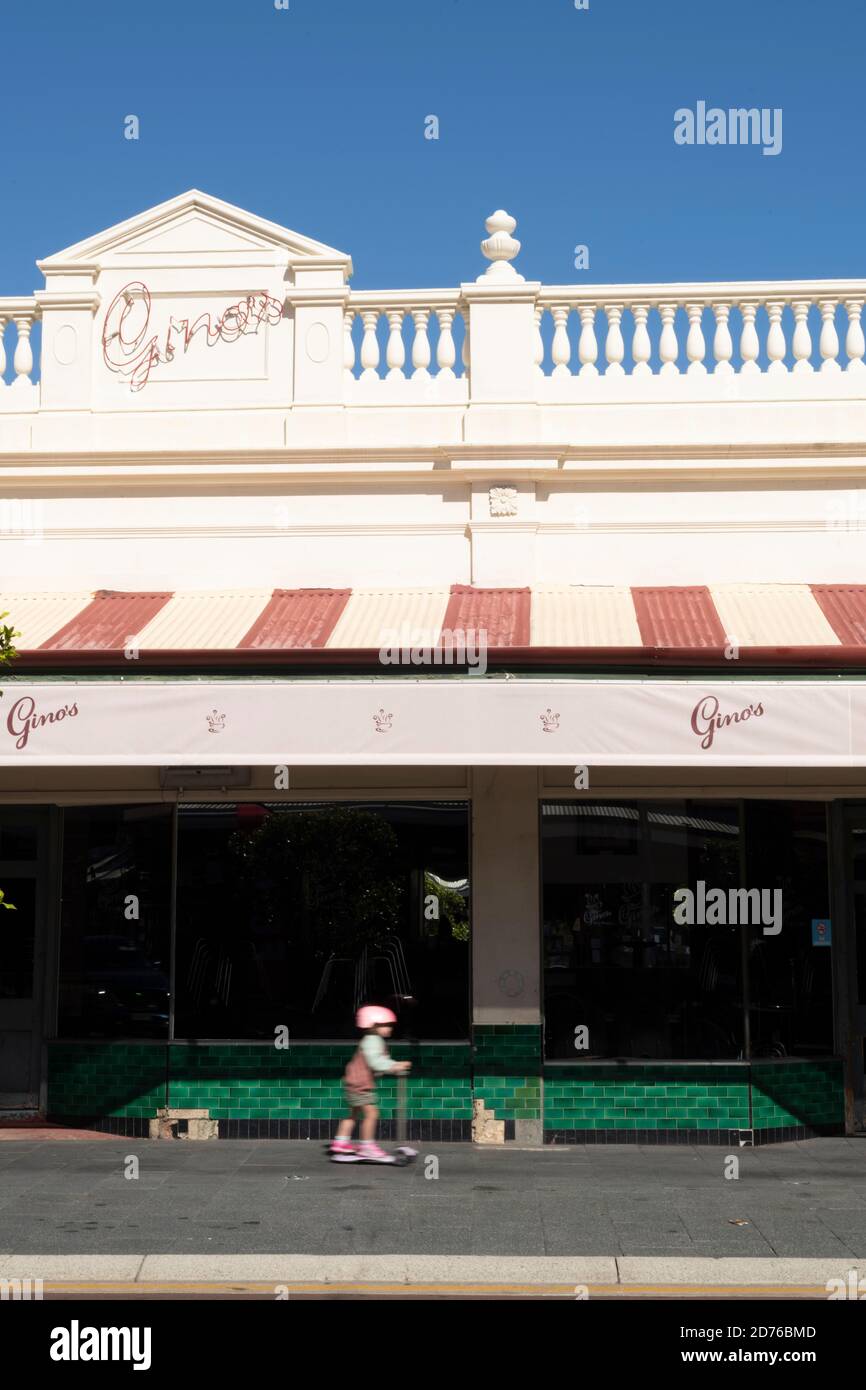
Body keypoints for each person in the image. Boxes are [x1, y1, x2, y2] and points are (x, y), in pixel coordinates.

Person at [330, 1005, 411, 1161]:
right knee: (372, 1113)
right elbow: (376, 1062)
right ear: (373, 1025)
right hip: (360, 1085)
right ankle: (367, 1147)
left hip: (354, 1082)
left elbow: (379, 1060)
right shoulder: (373, 1041)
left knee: (353, 1114)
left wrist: (393, 1064)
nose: (390, 1028)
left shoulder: (371, 1040)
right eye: (386, 1025)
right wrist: (395, 1066)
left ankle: (340, 1143)